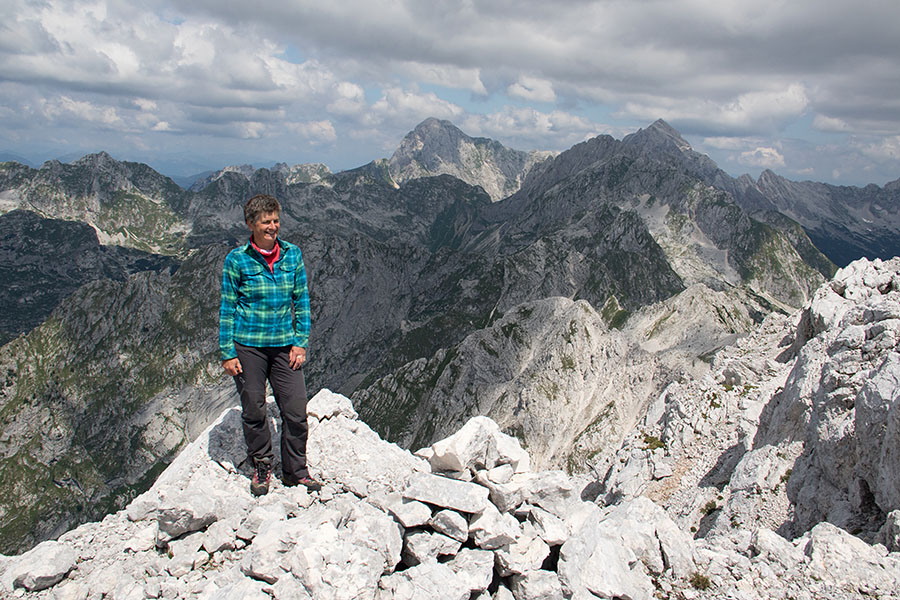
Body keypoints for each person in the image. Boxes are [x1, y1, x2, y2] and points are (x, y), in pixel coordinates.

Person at [218, 193, 321, 495]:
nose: (273, 226)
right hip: (248, 346)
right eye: (266, 222)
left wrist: (300, 343)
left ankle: (296, 471)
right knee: (254, 407)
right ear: (251, 224)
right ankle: (262, 466)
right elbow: (227, 308)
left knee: (295, 409)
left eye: (275, 220)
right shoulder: (237, 260)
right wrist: (227, 353)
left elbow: (301, 300)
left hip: (283, 345)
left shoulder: (292, 254)